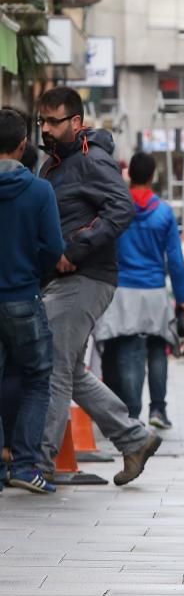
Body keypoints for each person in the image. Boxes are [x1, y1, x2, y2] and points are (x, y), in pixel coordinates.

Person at [36, 86, 162, 486]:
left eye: (54, 121)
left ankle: (38, 463)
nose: (46, 129)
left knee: (55, 367)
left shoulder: (93, 160)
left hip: (85, 276)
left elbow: (120, 209)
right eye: (41, 121)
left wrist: (75, 249)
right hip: (63, 278)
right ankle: (134, 438)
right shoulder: (52, 165)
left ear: (76, 122)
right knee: (70, 370)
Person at [93, 152, 184, 430]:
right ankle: (158, 410)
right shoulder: (164, 212)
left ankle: (131, 414)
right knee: (159, 349)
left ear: (129, 175)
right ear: (152, 176)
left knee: (129, 350)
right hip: (155, 291)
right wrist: (182, 299)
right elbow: (175, 259)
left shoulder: (118, 208)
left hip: (123, 291)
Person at [0, 109, 64, 493]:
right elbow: (53, 248)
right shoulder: (40, 190)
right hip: (24, 294)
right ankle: (24, 465)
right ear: (23, 146)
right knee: (38, 378)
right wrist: (34, 270)